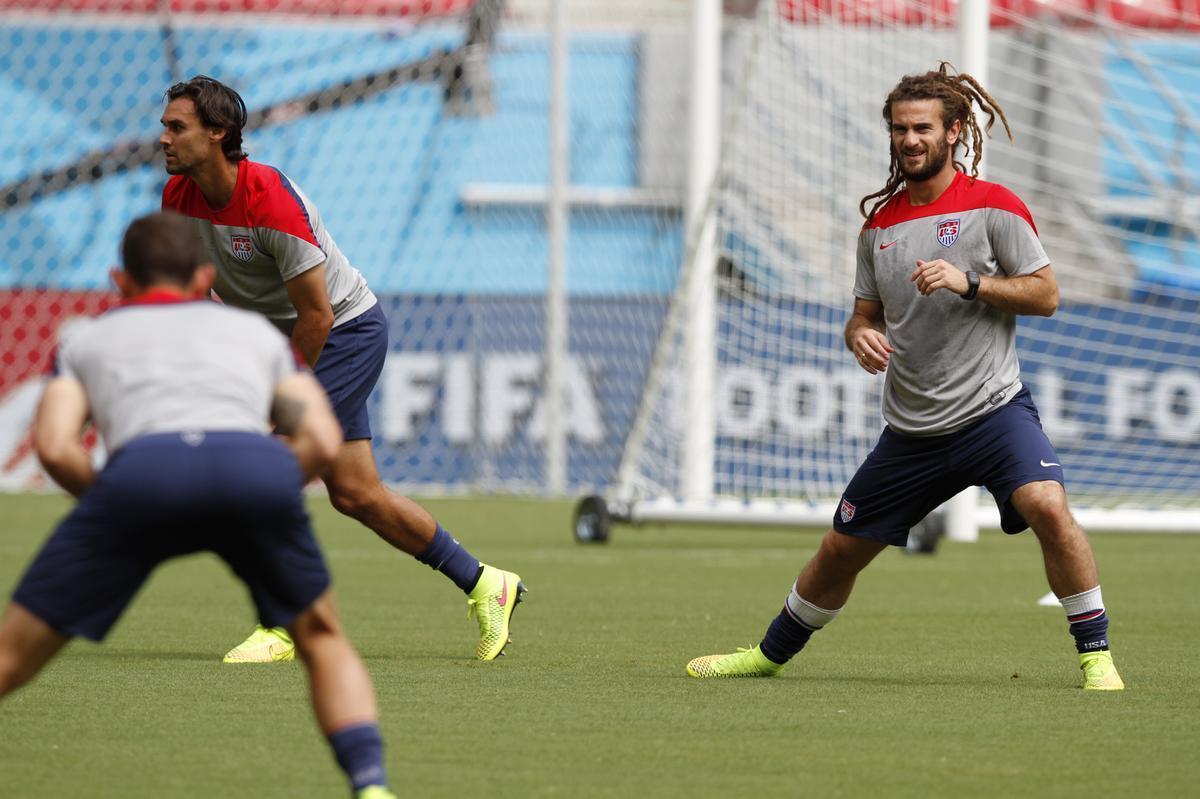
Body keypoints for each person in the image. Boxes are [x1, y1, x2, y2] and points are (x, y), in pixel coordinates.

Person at [685, 63, 1124, 692]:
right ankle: (767, 655)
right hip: (913, 430)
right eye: (899, 129)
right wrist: (857, 333)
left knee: (1047, 505)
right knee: (839, 551)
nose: (909, 139)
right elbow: (863, 315)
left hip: (994, 413)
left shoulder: (994, 206)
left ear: (953, 132)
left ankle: (1096, 656)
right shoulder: (879, 228)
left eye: (922, 127)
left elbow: (1046, 294)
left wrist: (968, 281)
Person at [0, 212, 399, 797]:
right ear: (203, 278)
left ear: (121, 280)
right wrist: (267, 481)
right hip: (251, 468)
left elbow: (56, 448)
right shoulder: (255, 337)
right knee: (321, 637)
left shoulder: (88, 342)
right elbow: (317, 436)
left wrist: (108, 500)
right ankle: (370, 784)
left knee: (13, 653)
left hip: (141, 477)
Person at [159, 75, 525, 663]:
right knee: (356, 495)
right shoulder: (178, 198)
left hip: (343, 334)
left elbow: (318, 316)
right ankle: (486, 583)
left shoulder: (270, 200)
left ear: (218, 133)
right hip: (288, 339)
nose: (164, 139)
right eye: (165, 127)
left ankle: (280, 627)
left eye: (177, 127)